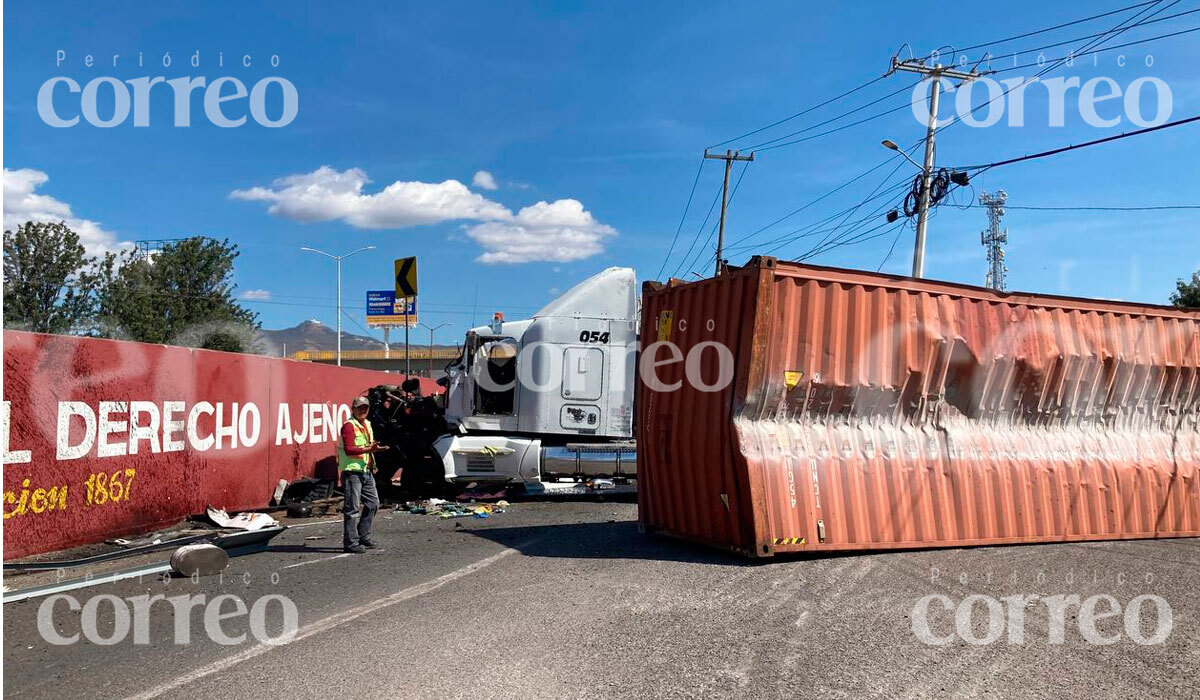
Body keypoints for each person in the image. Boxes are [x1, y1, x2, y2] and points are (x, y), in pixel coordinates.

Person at [338, 396, 387, 553]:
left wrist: (373, 459)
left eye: (365, 407)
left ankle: (363, 536)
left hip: (365, 471)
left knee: (373, 503)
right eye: (360, 408)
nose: (363, 410)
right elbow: (349, 449)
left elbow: (367, 447)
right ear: (353, 409)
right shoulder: (348, 426)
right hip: (352, 472)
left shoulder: (367, 424)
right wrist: (370, 450)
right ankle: (350, 542)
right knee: (352, 509)